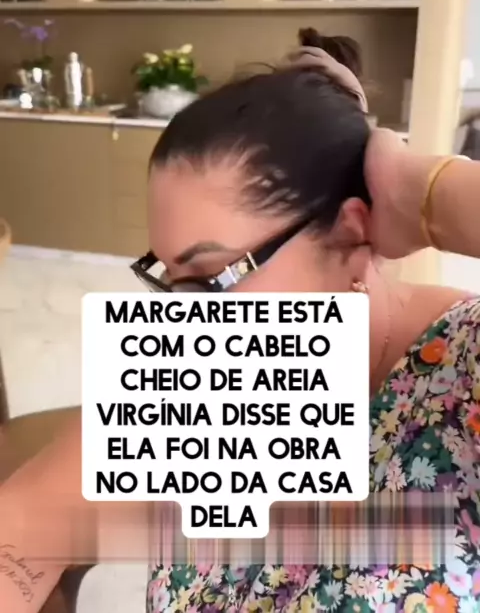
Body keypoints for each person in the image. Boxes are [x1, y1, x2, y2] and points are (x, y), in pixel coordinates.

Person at [2, 38, 480, 613]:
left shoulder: (461, 372)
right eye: (172, 281)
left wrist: (429, 194)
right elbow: (23, 525)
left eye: (212, 278)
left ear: (351, 233)